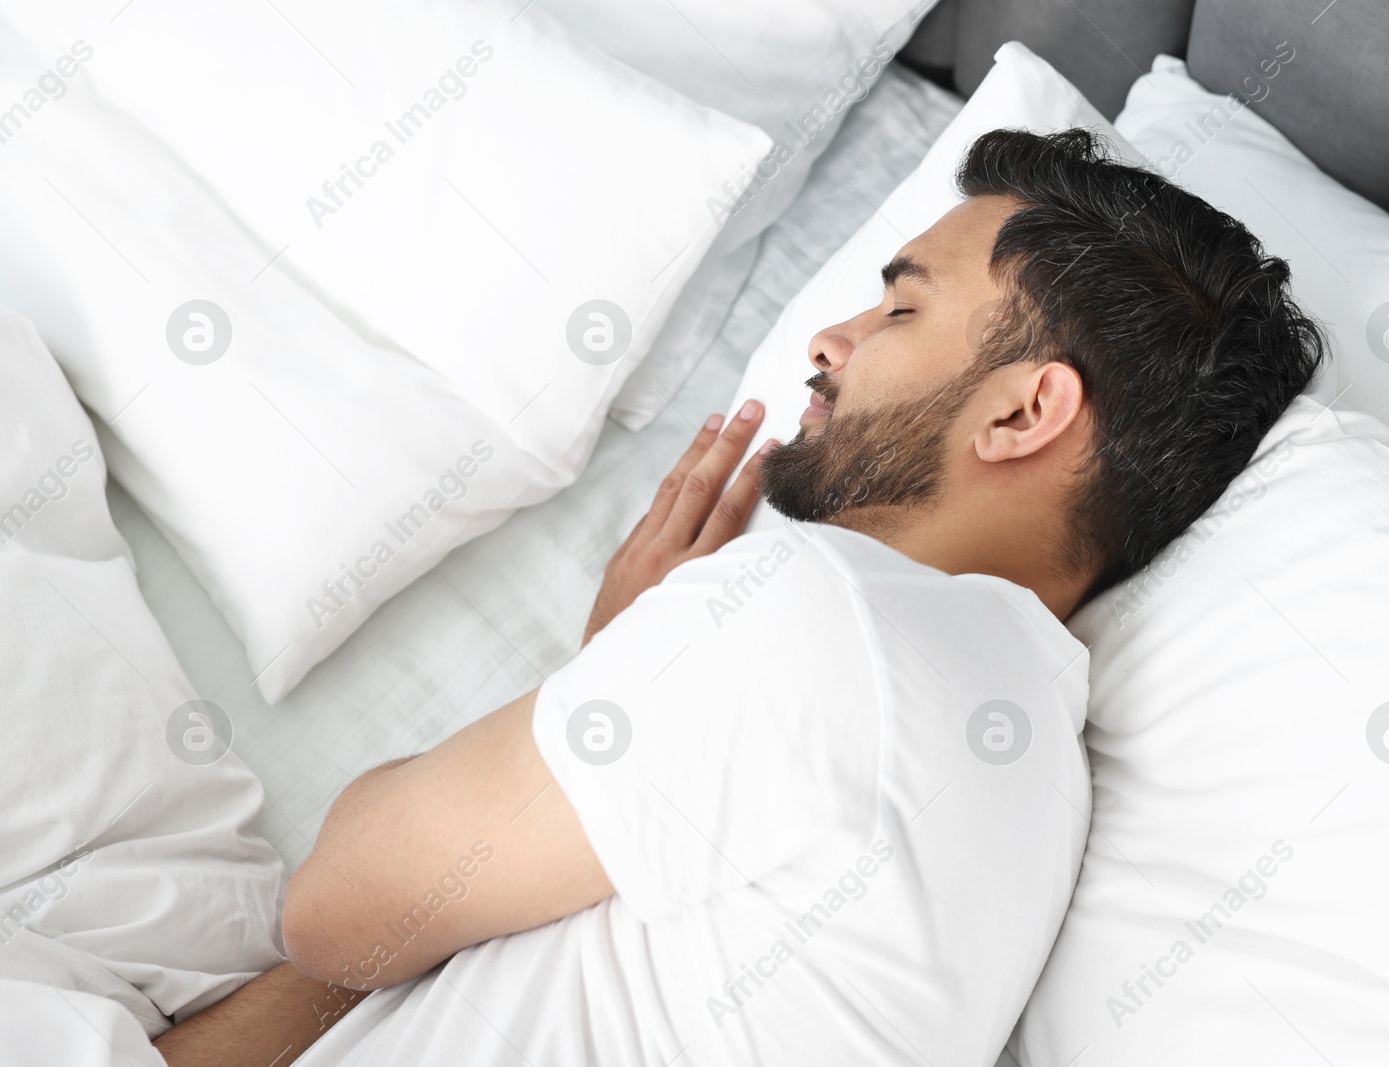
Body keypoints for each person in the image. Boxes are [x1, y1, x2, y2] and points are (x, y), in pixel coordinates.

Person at [155, 128, 1324, 1067]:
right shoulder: (1032, 778)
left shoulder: (815, 612)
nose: (828, 337)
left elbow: (336, 914)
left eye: (899, 310)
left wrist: (600, 670)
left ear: (1023, 413)